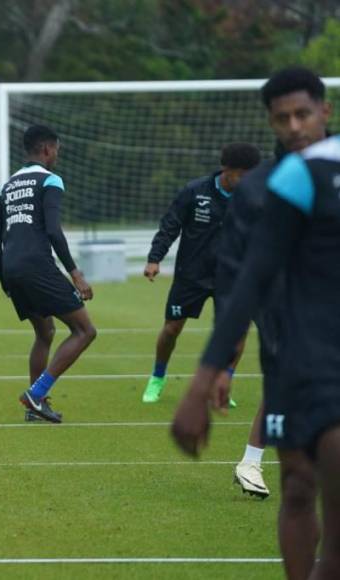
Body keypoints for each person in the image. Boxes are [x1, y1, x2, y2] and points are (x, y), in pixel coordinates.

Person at [172, 66, 331, 580]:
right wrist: (221, 363)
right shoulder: (260, 191)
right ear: (270, 123)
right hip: (285, 352)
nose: (295, 127)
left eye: (303, 113)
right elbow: (239, 278)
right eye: (282, 118)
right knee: (300, 483)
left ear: (324, 111)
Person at [0, 124, 97, 423]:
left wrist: (5, 282)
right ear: (48, 149)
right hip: (37, 265)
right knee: (85, 331)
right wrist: (76, 274)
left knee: (45, 332)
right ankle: (36, 394)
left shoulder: (8, 185)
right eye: (56, 150)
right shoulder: (50, 180)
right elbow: (53, 231)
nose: (56, 156)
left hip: (11, 268)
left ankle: (35, 409)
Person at [141, 142, 262, 404]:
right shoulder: (195, 191)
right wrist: (154, 258)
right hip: (191, 275)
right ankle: (157, 377)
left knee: (237, 333)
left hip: (232, 277)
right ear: (225, 169)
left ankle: (222, 383)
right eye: (242, 174)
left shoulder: (255, 198)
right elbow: (170, 225)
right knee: (172, 329)